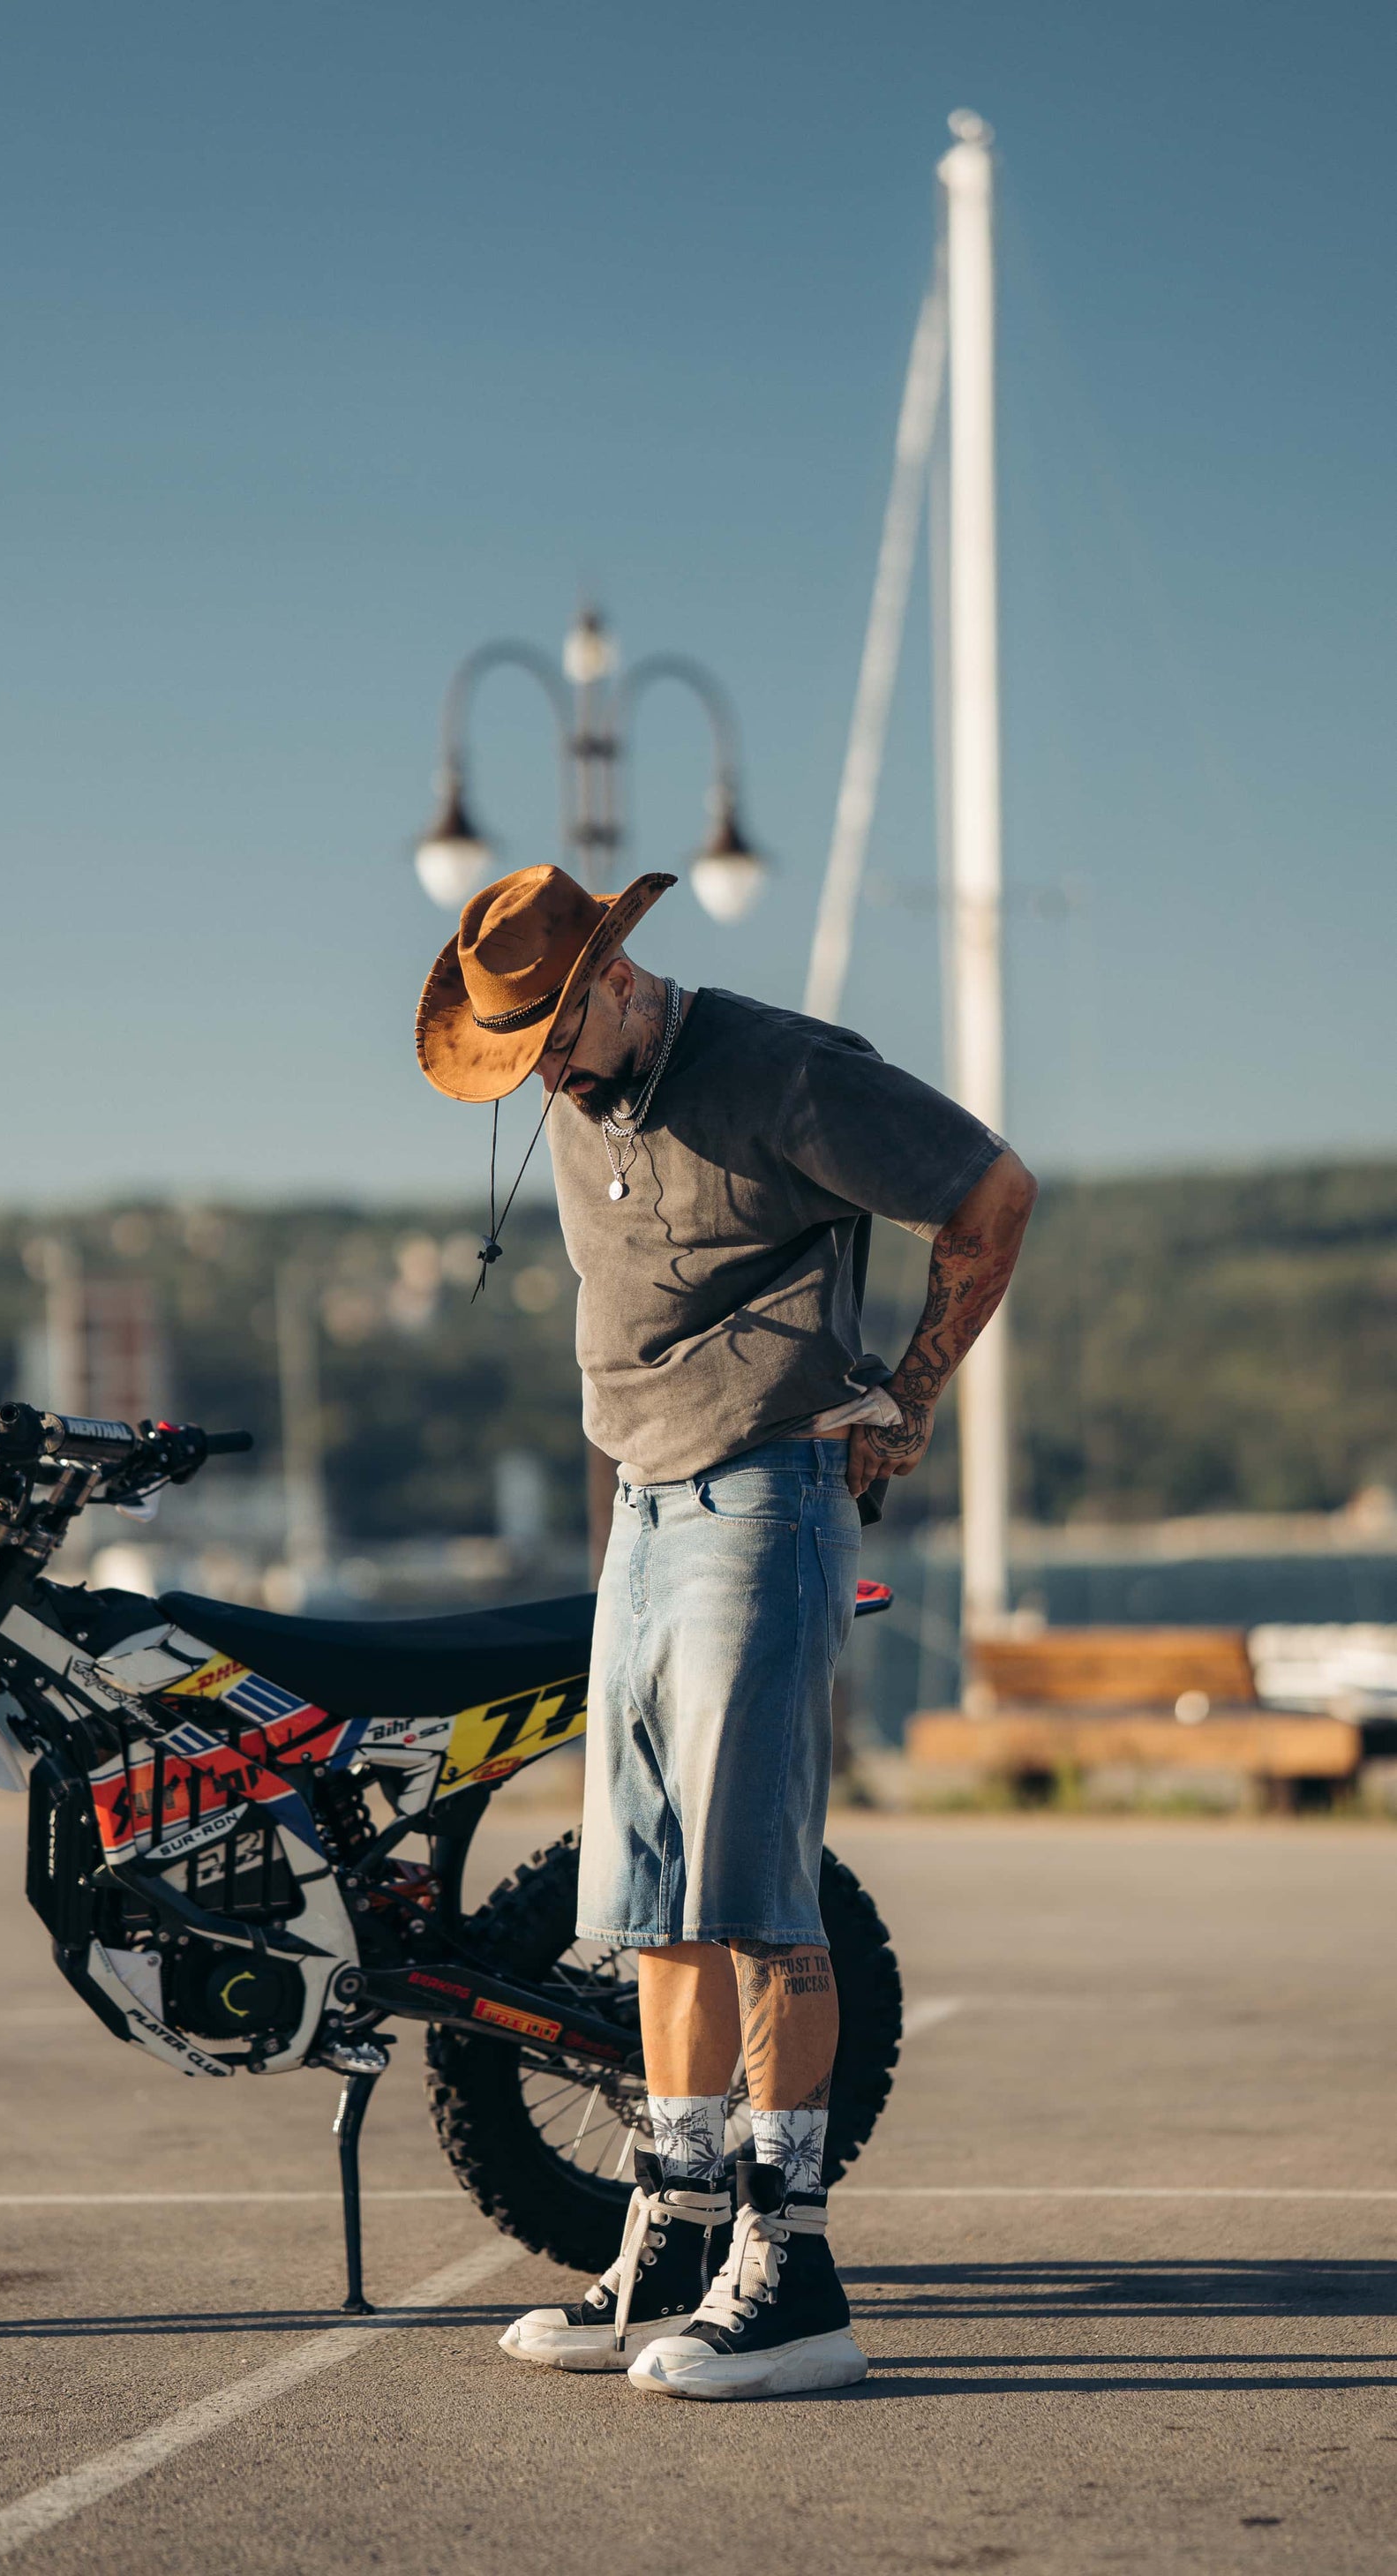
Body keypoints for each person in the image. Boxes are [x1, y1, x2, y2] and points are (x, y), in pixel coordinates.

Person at [415, 862, 1036, 2401]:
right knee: (652, 1897)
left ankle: (794, 2265)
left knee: (756, 1889)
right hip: (639, 1507)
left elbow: (991, 1192)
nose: (545, 1072)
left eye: (557, 1035)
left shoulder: (783, 1071)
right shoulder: (574, 1093)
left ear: (620, 978)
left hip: (768, 1497)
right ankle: (676, 2230)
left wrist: (912, 1393)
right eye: (523, 1057)